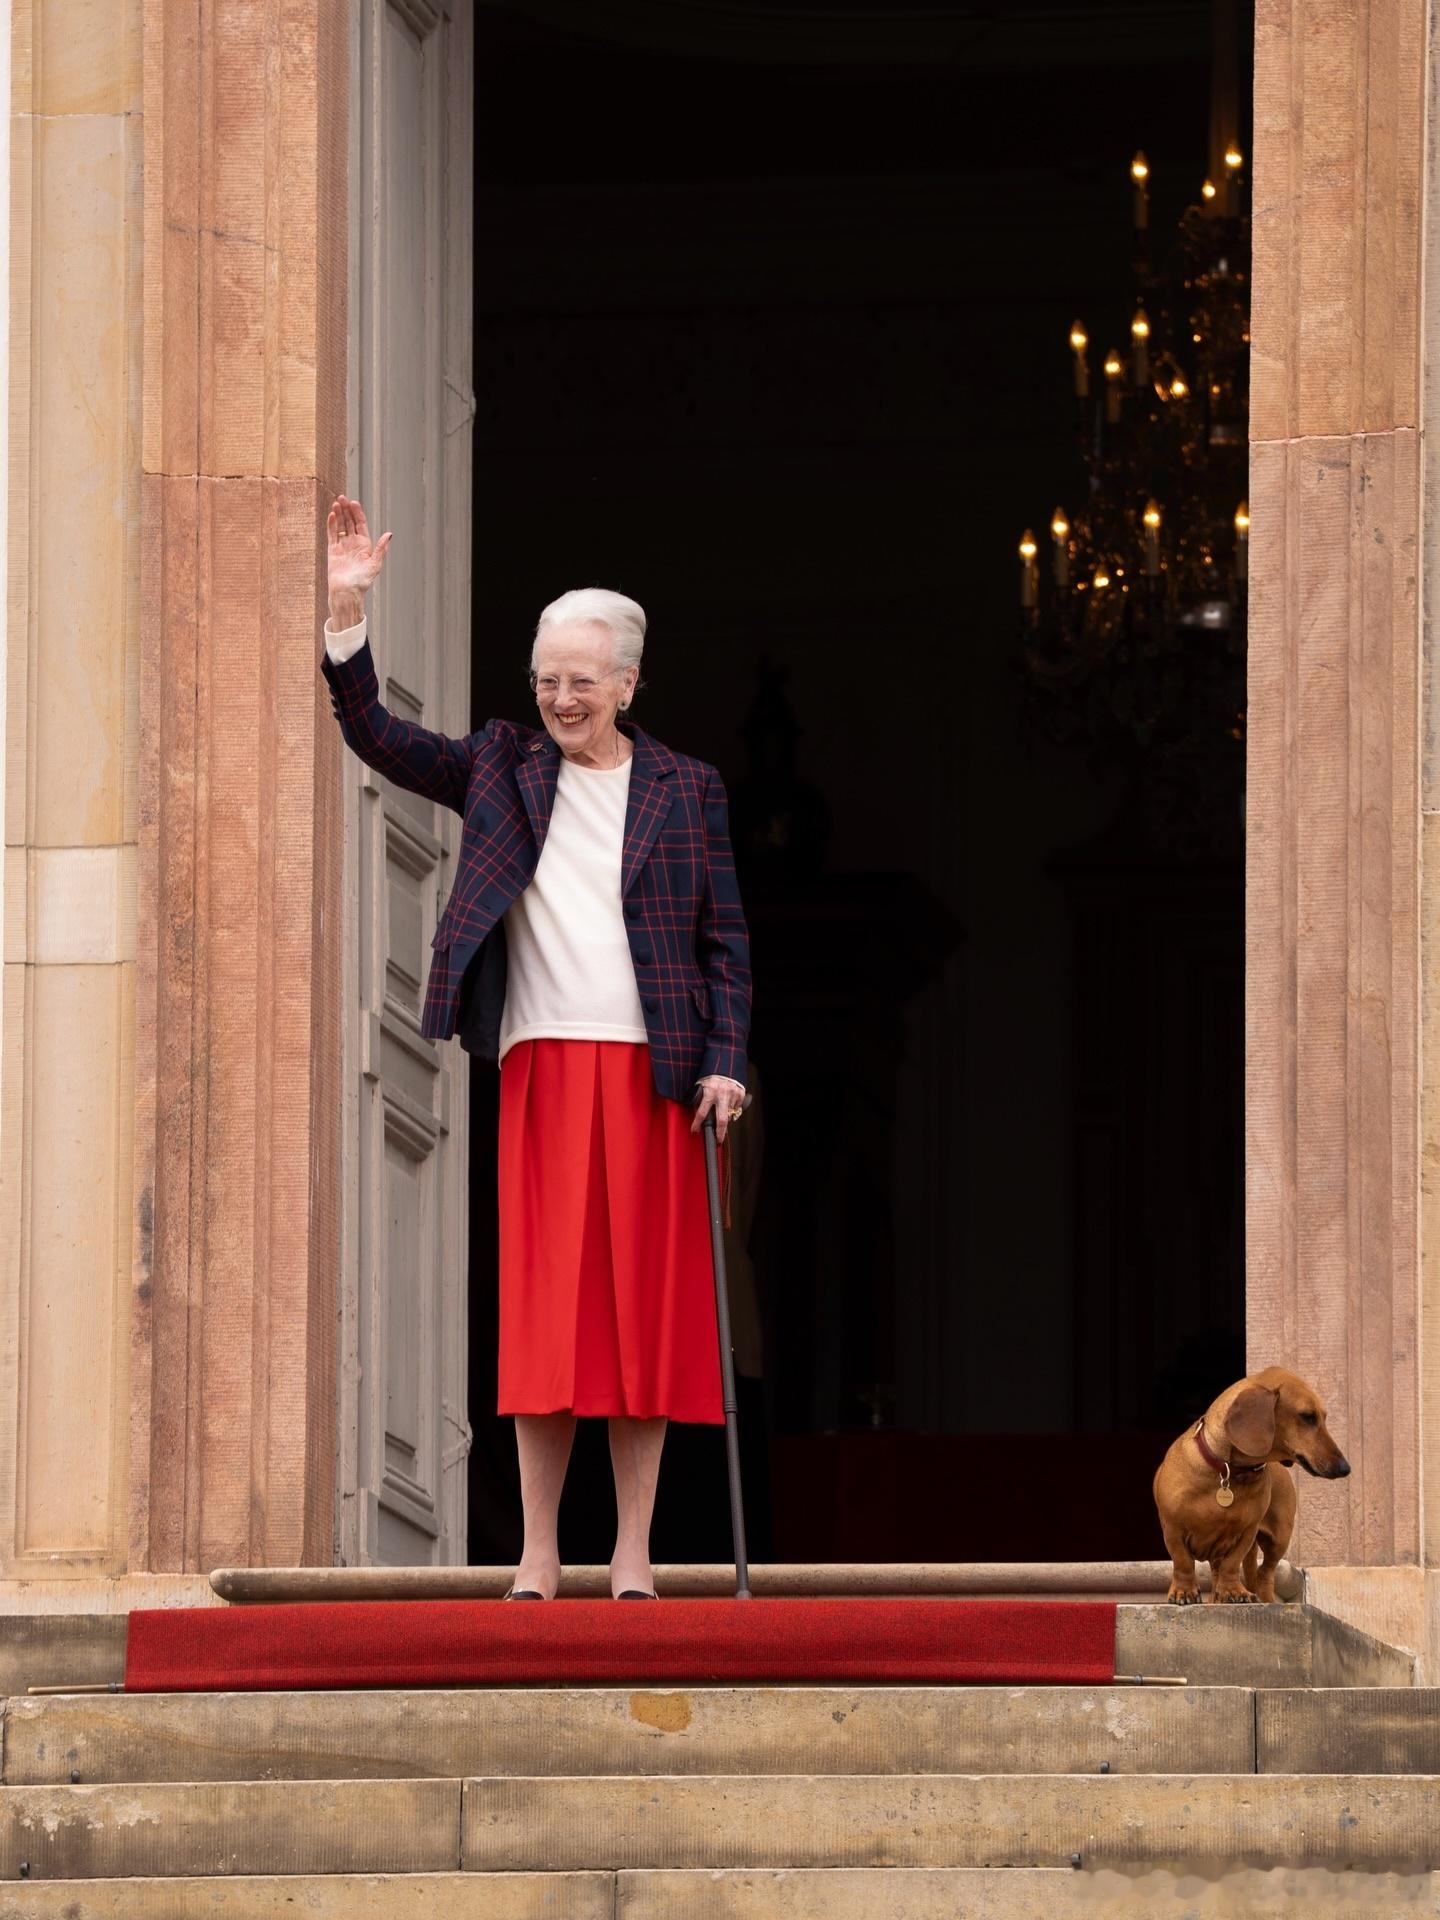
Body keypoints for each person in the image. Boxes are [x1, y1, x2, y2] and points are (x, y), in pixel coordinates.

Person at [321, 496, 752, 1600]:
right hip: (545, 1068)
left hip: (658, 1076)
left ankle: (634, 1551)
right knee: (547, 1318)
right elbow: (381, 740)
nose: (562, 698)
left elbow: (725, 941)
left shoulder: (687, 788)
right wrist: (347, 616)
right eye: (547, 679)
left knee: (641, 1323)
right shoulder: (502, 765)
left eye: (582, 681)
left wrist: (727, 1059)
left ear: (628, 685)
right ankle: (540, 1551)